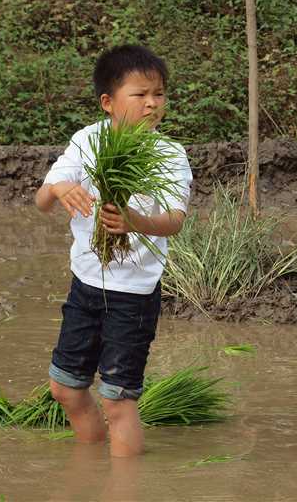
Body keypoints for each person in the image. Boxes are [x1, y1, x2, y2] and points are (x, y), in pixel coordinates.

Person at [34, 44, 192, 457]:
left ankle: (124, 486)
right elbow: (41, 201)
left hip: (133, 295)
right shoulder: (88, 140)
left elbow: (175, 218)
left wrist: (133, 222)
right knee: (65, 388)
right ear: (108, 102)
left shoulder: (169, 154)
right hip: (85, 284)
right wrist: (56, 188)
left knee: (117, 400)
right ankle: (89, 468)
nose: (152, 104)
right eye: (140, 95)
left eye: (158, 94)